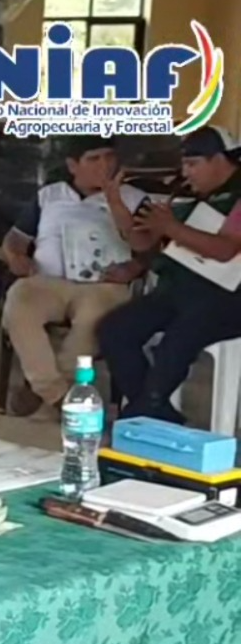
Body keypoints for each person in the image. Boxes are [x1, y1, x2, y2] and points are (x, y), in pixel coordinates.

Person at [96, 125, 241, 423]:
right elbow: (142, 242)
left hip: (228, 299)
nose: (186, 172)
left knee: (176, 340)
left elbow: (226, 249)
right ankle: (155, 412)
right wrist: (115, 202)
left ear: (219, 160)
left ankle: (142, 412)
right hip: (180, 290)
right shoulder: (187, 196)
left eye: (193, 164)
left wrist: (172, 228)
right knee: (115, 329)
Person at [0, 135, 150, 418]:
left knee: (95, 319)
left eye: (109, 157)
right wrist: (16, 256)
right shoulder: (49, 196)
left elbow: (147, 248)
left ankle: (41, 388)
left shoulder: (135, 198)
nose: (104, 165)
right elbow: (15, 239)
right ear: (73, 165)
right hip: (49, 282)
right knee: (19, 300)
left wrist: (133, 267)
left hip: (103, 285)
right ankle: (57, 393)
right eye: (94, 159)